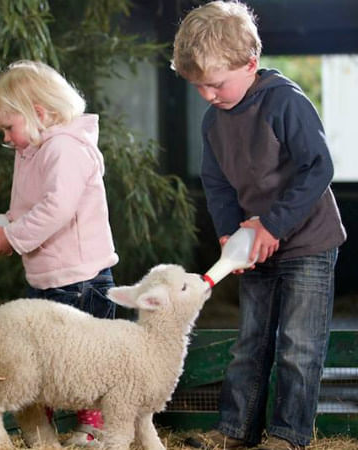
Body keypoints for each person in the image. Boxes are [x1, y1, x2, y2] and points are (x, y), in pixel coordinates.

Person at [171, 2, 347, 449]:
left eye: (215, 84)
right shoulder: (214, 121)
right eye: (197, 86)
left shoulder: (284, 101)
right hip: (252, 246)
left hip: (307, 242)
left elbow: (318, 168)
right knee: (249, 342)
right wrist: (228, 233)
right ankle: (235, 430)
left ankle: (288, 435)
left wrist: (271, 225)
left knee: (298, 345)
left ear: (250, 64)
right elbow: (216, 184)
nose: (207, 95)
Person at [0, 59, 119, 446]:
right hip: (47, 276)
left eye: (9, 127)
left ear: (39, 113)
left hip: (79, 279)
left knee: (83, 358)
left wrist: (13, 238)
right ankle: (41, 429)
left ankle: (95, 427)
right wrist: (6, 227)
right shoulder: (33, 148)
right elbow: (28, 205)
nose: (7, 138)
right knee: (41, 358)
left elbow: (57, 208)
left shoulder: (64, 148)